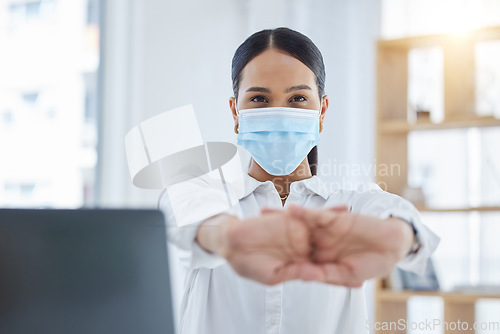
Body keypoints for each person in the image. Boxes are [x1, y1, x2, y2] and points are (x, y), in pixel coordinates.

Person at [159, 27, 439, 334]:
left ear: (322, 110)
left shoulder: (348, 202)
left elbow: (393, 212)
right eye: (260, 99)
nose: (279, 113)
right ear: (235, 112)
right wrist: (227, 236)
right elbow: (186, 212)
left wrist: (397, 236)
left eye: (298, 98)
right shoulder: (203, 190)